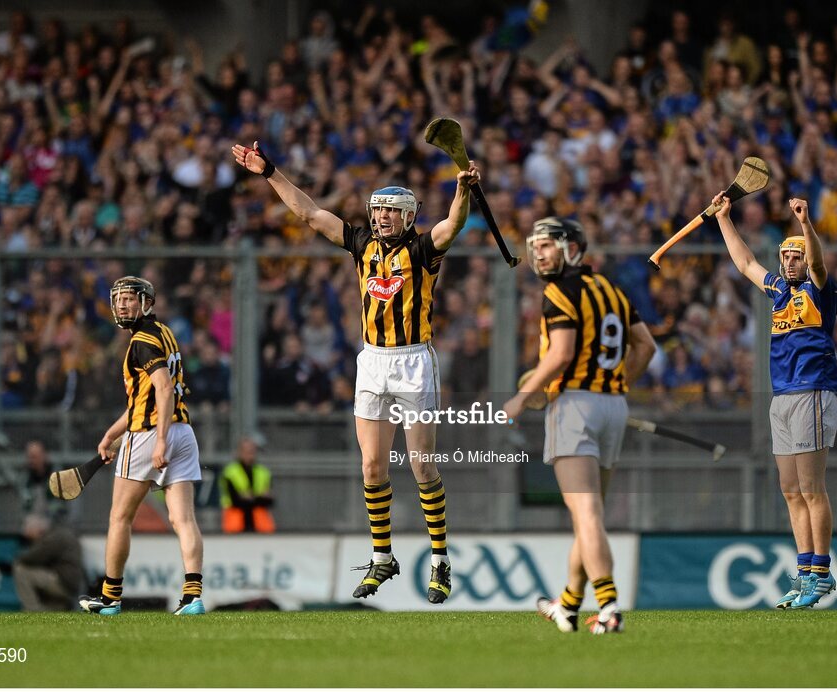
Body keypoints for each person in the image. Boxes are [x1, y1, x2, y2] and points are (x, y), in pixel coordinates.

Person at [232, 139, 480, 604]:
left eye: (392, 211)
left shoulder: (424, 250)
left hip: (412, 362)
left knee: (422, 465)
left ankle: (441, 559)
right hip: (371, 361)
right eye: (378, 210)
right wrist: (270, 172)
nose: (383, 217)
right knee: (371, 466)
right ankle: (383, 557)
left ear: (408, 217)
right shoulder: (361, 245)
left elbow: (453, 225)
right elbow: (309, 213)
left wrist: (462, 190)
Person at [503, 217, 656, 635]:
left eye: (547, 245)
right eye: (535, 245)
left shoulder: (558, 292)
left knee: (586, 512)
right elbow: (646, 345)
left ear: (572, 248)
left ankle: (608, 606)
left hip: (573, 407)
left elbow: (561, 354)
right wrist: (616, 383)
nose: (538, 252)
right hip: (613, 408)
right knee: (589, 515)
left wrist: (522, 395)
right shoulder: (611, 289)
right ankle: (568, 605)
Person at [713, 194, 837, 609]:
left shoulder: (819, 290)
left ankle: (820, 574)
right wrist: (723, 219)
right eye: (786, 256)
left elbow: (820, 264)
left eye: (796, 256)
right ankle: (803, 572)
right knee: (790, 491)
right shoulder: (777, 294)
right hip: (782, 397)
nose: (789, 262)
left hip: (813, 392)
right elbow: (746, 263)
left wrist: (806, 226)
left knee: (811, 489)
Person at [78, 276, 205, 616]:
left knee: (120, 517)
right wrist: (111, 434)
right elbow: (144, 398)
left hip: (153, 435)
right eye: (118, 299)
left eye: (130, 299)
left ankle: (110, 597)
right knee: (183, 519)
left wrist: (159, 440)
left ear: (146, 302)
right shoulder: (163, 332)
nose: (122, 305)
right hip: (183, 432)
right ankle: (193, 596)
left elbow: (163, 390)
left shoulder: (141, 342)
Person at [12, 514, 83, 611]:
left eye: (28, 531)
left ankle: (32, 611)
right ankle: (58, 608)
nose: (27, 535)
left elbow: (32, 557)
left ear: (36, 528)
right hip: (70, 584)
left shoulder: (54, 536)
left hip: (65, 582)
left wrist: (14, 561)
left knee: (20, 570)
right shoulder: (60, 533)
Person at [220, 436, 275, 533]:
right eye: (246, 451)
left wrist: (248, 497)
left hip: (260, 525)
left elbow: (269, 500)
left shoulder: (263, 472)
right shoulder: (230, 472)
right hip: (236, 525)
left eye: (252, 451)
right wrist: (258, 497)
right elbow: (234, 499)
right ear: (239, 452)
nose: (249, 454)